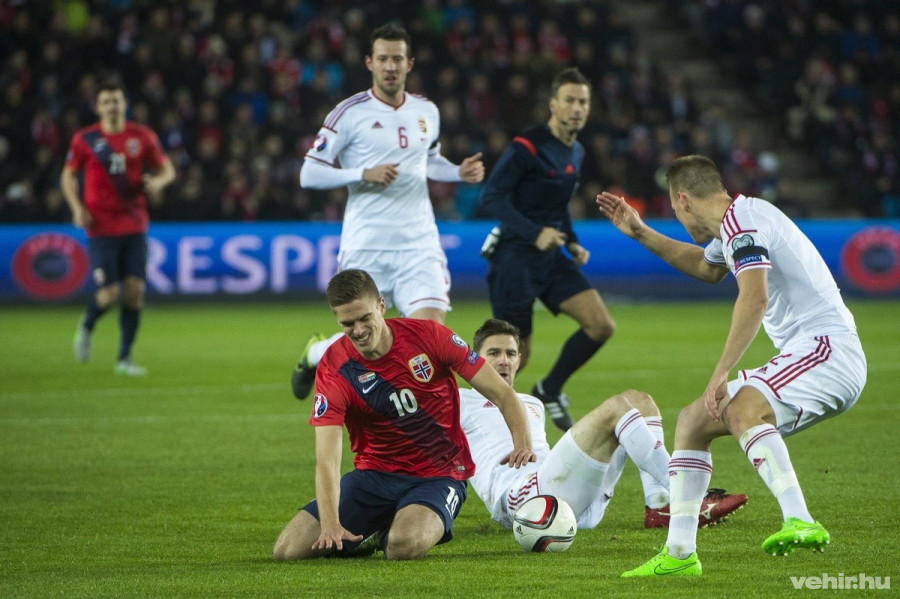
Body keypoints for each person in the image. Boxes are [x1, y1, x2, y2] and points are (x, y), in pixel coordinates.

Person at [596, 155, 866, 576]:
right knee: (691, 422)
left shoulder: (744, 221)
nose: (678, 216)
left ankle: (801, 519)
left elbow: (754, 297)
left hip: (827, 349)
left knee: (741, 408)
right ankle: (679, 554)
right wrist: (641, 233)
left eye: (673, 209)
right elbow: (707, 268)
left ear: (683, 200)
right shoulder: (738, 223)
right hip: (813, 353)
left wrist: (721, 371)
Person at [273, 269, 535, 561]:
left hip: (439, 475)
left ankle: (384, 529)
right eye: (347, 323)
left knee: (402, 546)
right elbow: (327, 459)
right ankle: (369, 524)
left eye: (365, 318)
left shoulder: (429, 337)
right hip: (373, 477)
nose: (358, 330)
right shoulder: (335, 368)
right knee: (288, 551)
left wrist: (522, 443)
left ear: (381, 306)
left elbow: (503, 394)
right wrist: (331, 523)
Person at [291, 23, 485, 399]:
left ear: (409, 63)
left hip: (419, 242)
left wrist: (457, 172)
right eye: (383, 59)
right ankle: (316, 351)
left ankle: (414, 430)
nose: (390, 66)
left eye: (397, 58)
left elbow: (428, 162)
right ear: (370, 63)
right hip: (368, 243)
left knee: (429, 340)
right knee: (364, 337)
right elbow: (308, 172)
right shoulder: (349, 113)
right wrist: (362, 173)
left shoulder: (426, 110)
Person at [460, 318, 747, 533]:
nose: (503, 361)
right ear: (474, 360)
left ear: (519, 359)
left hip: (574, 502)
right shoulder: (459, 401)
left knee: (639, 400)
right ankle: (687, 494)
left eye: (510, 353)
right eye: (493, 353)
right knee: (615, 409)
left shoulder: (531, 403)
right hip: (524, 501)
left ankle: (659, 506)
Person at [476, 67, 614, 432]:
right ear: (553, 105)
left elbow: (559, 204)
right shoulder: (527, 146)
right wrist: (534, 232)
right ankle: (492, 428)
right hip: (514, 259)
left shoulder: (577, 151)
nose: (577, 108)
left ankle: (549, 389)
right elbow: (491, 196)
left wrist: (571, 241)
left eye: (583, 101)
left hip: (551, 257)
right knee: (513, 354)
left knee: (600, 325)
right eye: (569, 100)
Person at [62, 81, 175, 375]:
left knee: (135, 291)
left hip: (135, 223)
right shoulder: (84, 139)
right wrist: (76, 208)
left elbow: (167, 169)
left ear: (125, 104)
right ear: (98, 107)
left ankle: (124, 358)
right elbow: (68, 175)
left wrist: (158, 182)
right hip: (99, 226)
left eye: (116, 100)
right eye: (106, 101)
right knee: (109, 294)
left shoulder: (142, 136)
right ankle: (87, 325)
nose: (112, 106)